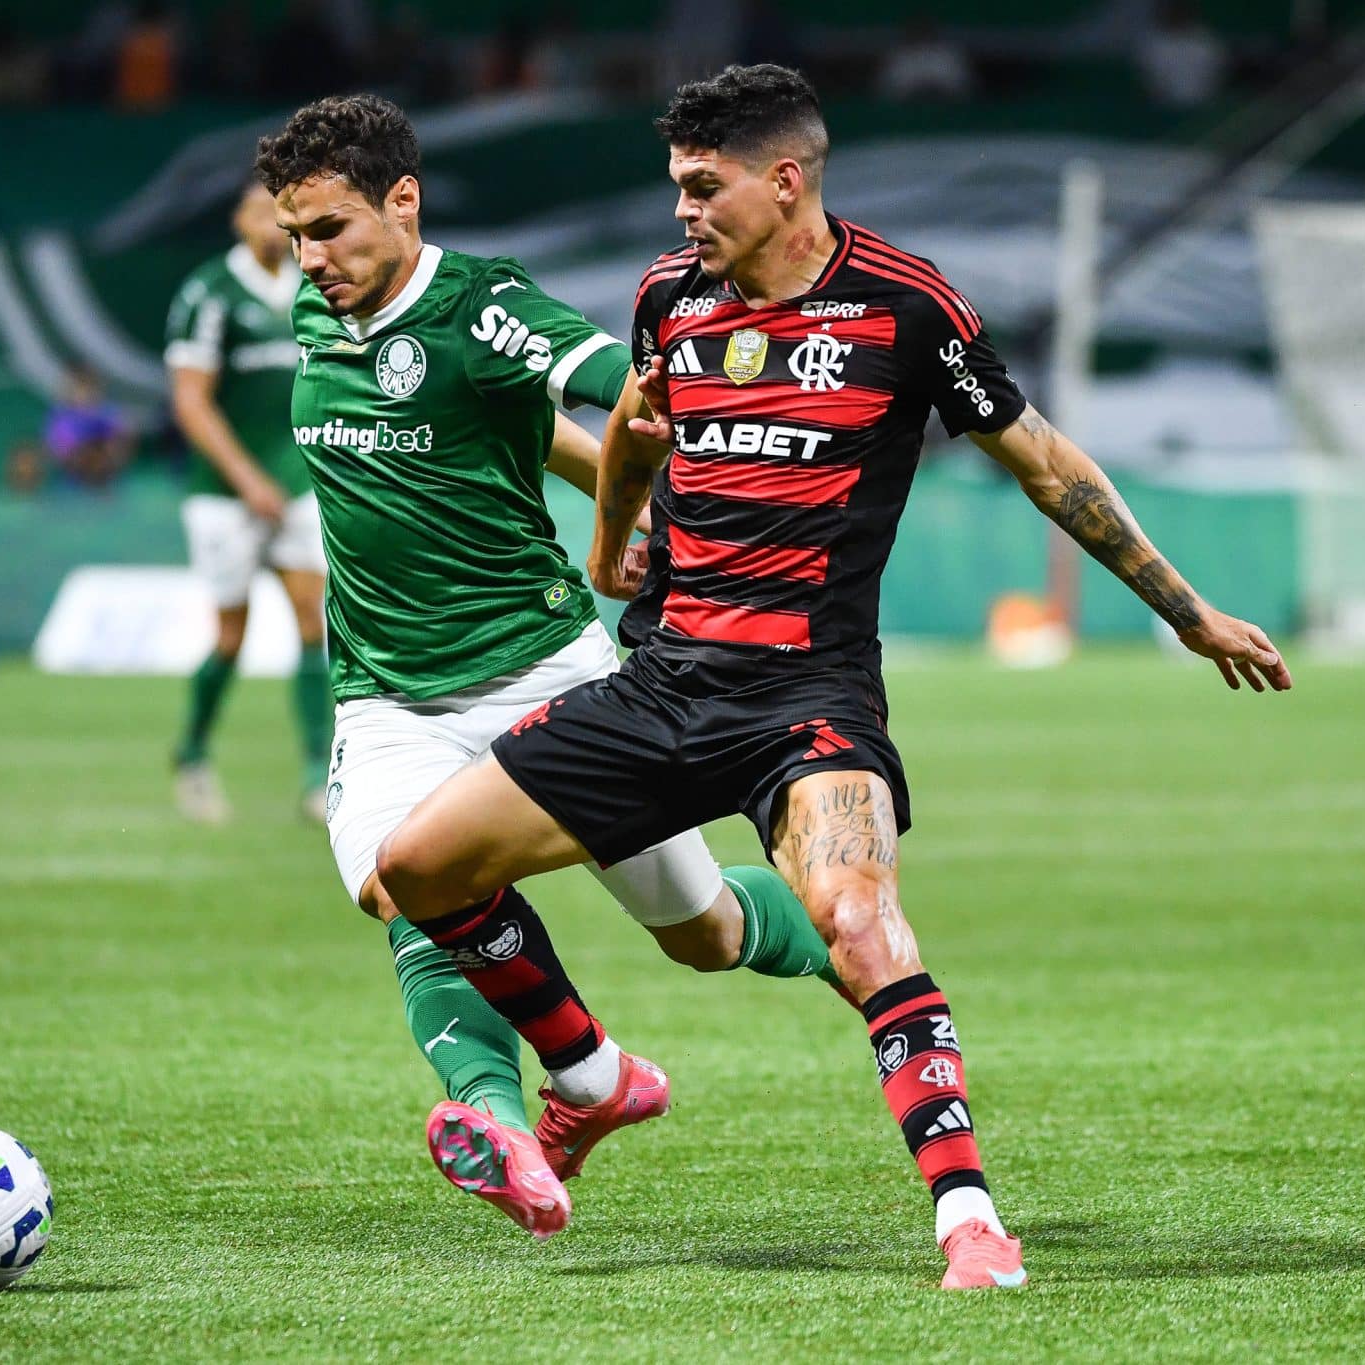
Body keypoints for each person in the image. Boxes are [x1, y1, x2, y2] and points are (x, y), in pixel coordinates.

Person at [374, 64, 1292, 1289]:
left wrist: (1185, 613)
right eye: (676, 188)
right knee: (415, 871)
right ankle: (589, 1077)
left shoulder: (905, 306)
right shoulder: (667, 301)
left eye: (703, 188)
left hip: (805, 698)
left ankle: (968, 1219)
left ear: (785, 179)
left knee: (858, 925)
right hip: (658, 684)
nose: (682, 214)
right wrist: (610, 545)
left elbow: (1044, 462)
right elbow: (635, 450)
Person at [256, 92, 844, 1240]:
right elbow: (518, 437)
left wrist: (651, 510)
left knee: (706, 933)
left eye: (329, 229)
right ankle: (522, 1102)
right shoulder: (322, 313)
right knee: (401, 883)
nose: (311, 259)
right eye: (294, 238)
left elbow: (613, 389)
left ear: (404, 202)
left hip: (547, 679)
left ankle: (855, 944)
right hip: (385, 701)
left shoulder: (481, 306)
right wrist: (597, 495)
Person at [165, 179, 329, 824]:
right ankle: (192, 753)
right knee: (230, 638)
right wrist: (246, 479)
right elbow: (190, 399)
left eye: (281, 212)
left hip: (298, 483)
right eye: (258, 208)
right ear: (237, 219)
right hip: (223, 495)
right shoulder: (209, 292)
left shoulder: (314, 285)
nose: (270, 221)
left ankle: (319, 777)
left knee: (313, 622)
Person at [43, 364, 132, 488]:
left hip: (107, 477)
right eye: (78, 388)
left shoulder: (107, 412)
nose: (83, 394)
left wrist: (106, 455)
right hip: (72, 479)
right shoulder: (60, 417)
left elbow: (122, 444)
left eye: (88, 388)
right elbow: (54, 451)